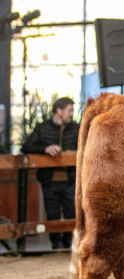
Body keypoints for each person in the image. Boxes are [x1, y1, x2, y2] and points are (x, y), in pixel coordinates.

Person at [21, 97, 80, 249]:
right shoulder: (42, 128)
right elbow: (26, 146)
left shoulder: (76, 128)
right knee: (52, 213)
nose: (72, 113)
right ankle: (56, 244)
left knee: (71, 213)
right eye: (70, 110)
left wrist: (74, 153)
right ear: (59, 111)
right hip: (49, 181)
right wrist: (45, 148)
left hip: (71, 180)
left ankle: (68, 244)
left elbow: (86, 146)